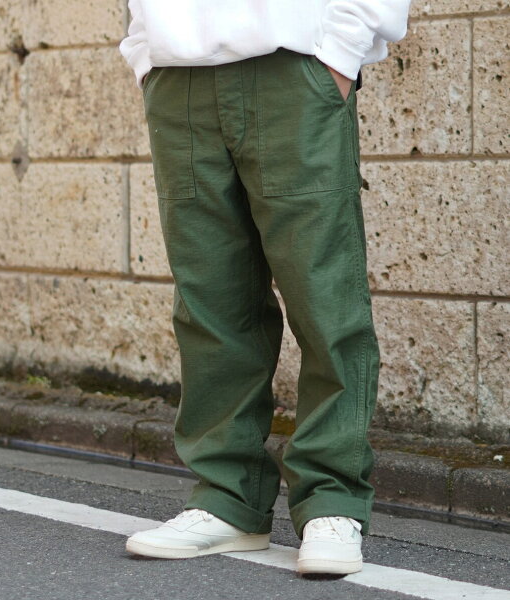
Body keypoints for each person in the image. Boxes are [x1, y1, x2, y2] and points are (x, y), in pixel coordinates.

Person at [119, 0, 411, 576]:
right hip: (177, 77)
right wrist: (145, 51)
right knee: (210, 300)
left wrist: (341, 48)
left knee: (323, 296)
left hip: (294, 67)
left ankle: (332, 500)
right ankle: (228, 498)